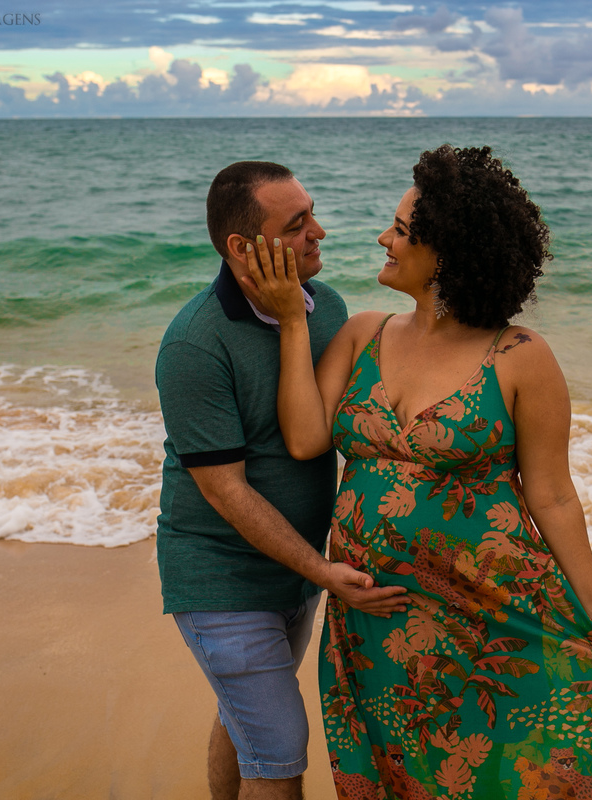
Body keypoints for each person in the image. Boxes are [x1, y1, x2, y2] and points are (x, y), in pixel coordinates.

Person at [242, 145, 592, 799]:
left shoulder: (521, 357)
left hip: (491, 614)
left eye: (403, 231)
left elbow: (552, 496)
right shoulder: (361, 333)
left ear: (450, 255)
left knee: (507, 772)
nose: (383, 238)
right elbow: (304, 438)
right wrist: (294, 319)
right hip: (379, 620)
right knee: (406, 776)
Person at [155, 161, 408, 800]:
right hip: (222, 576)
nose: (318, 232)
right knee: (278, 752)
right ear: (243, 248)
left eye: (312, 214)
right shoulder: (193, 343)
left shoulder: (329, 311)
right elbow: (225, 490)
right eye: (296, 226)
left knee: (244, 721)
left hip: (295, 573)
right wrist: (323, 570)